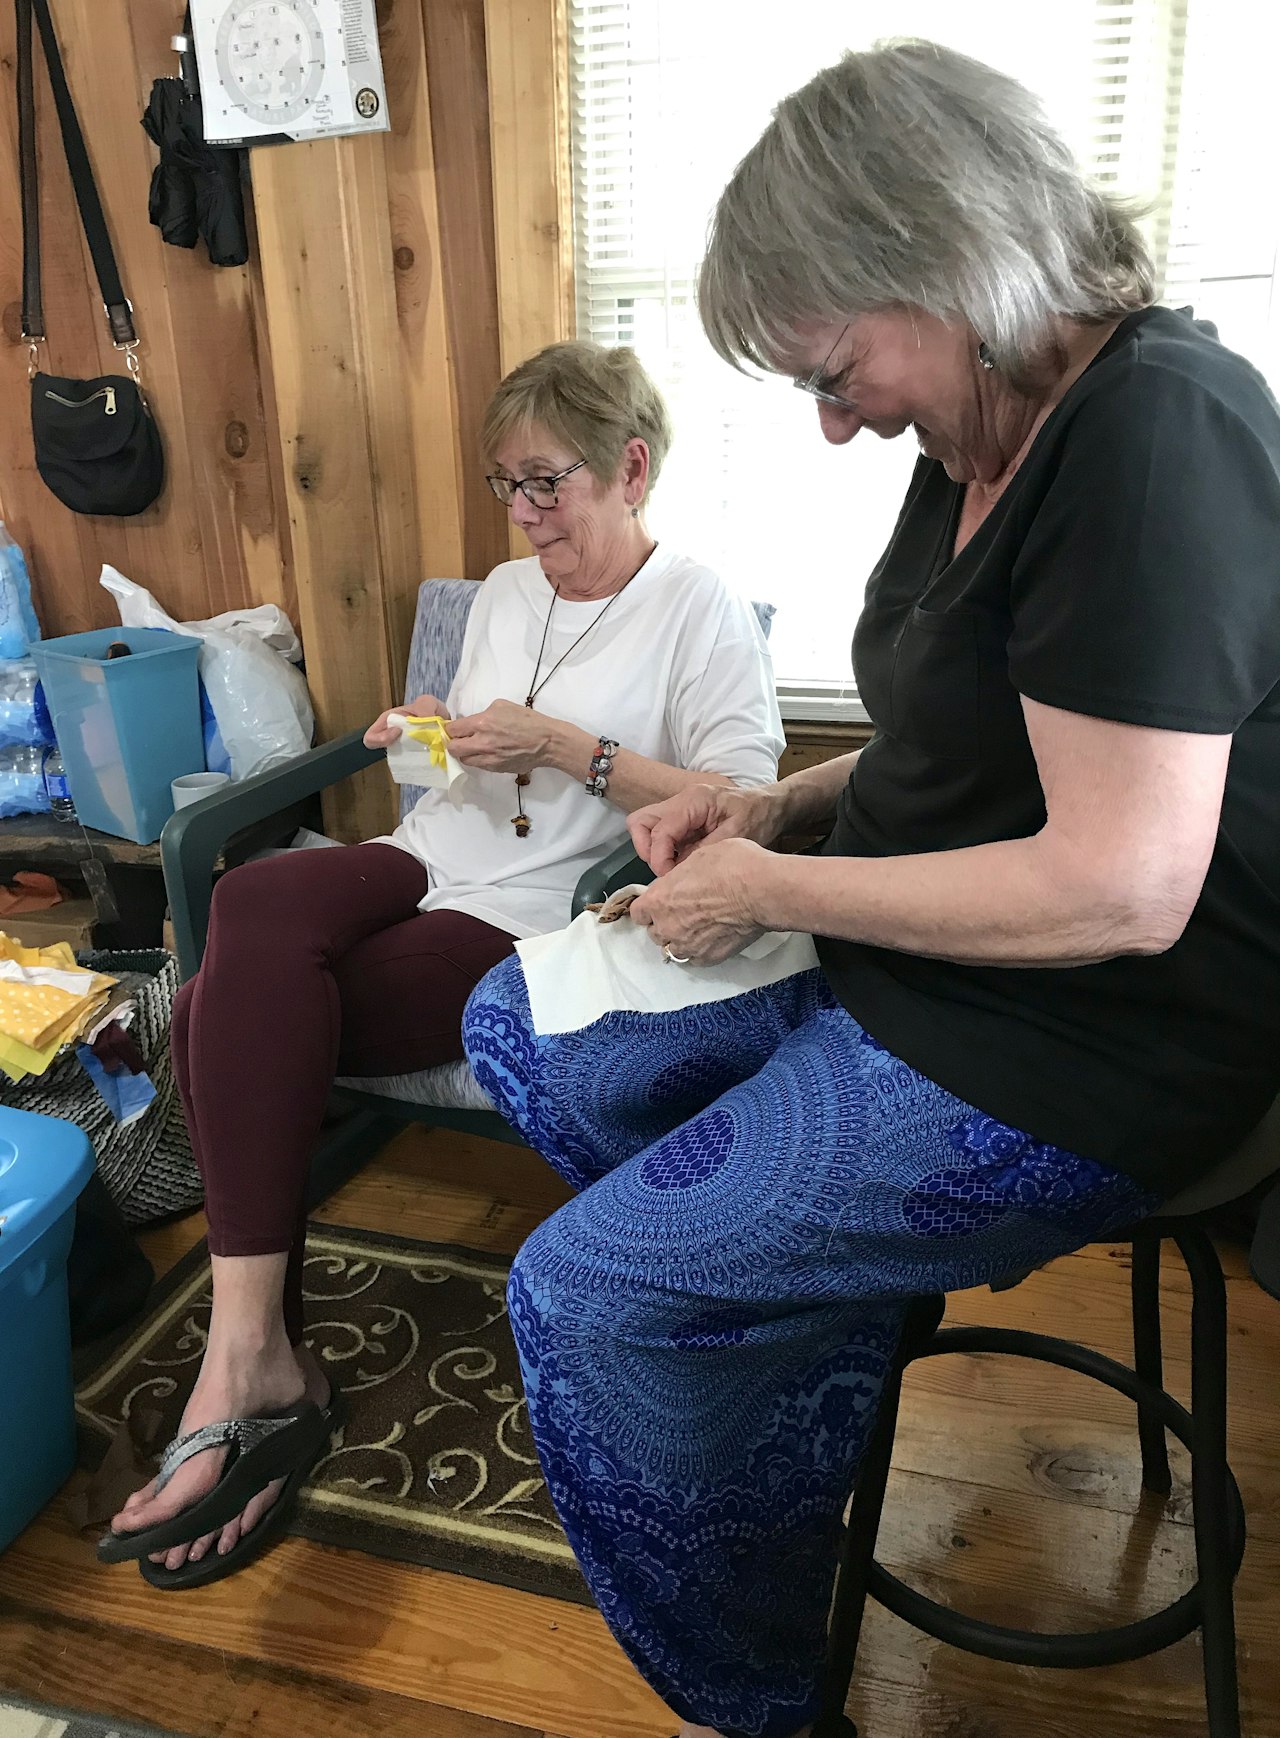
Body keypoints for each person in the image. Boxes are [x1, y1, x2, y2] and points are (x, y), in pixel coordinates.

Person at [461, 42, 1280, 1738]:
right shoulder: (986, 418)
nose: (839, 422)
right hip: (933, 958)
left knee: (585, 1296)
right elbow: (954, 736)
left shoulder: (1159, 436)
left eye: (840, 371)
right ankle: (810, 1352)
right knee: (521, 1028)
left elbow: (1122, 885)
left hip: (1097, 1033)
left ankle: (766, 1698)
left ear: (956, 260)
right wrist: (775, 803)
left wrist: (782, 890)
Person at [101, 340, 783, 1589]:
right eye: (504, 485)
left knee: (207, 1010)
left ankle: (253, 1360)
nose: (522, 515)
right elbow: (465, 772)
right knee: (250, 896)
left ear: (631, 468)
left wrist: (569, 749)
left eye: (546, 483)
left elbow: (743, 807)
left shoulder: (700, 609)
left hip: (537, 908)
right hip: (430, 855)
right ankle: (263, 1363)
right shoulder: (506, 595)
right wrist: (420, 738)